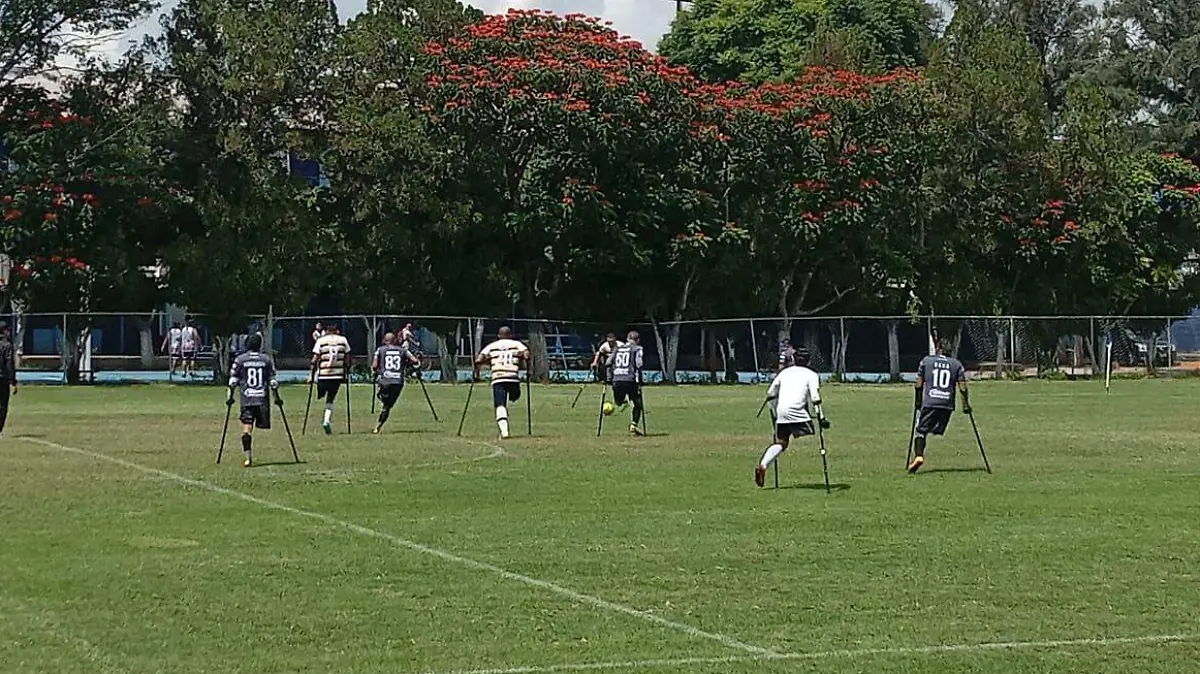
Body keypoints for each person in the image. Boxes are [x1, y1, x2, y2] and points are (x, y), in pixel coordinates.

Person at [755, 347, 830, 488]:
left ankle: (764, 465)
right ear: (808, 361)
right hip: (798, 414)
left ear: (794, 359)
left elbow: (770, 393)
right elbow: (815, 397)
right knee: (809, 431)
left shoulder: (784, 373)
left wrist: (774, 412)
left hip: (781, 412)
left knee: (781, 443)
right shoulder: (811, 374)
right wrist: (821, 417)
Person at [908, 338, 969, 473]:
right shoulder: (956, 364)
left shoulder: (926, 361)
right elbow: (963, 387)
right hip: (947, 404)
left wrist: (918, 402)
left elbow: (918, 384)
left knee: (920, 431)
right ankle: (934, 429)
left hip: (930, 402)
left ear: (937, 348)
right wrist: (966, 405)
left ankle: (918, 456)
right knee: (936, 430)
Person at [226, 333, 278, 468]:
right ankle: (248, 454)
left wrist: (230, 397)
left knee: (247, 427)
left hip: (247, 399)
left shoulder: (240, 360)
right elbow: (273, 381)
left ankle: (248, 457)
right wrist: (277, 398)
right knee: (259, 425)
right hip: (262, 399)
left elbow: (232, 381)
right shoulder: (266, 359)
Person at [474, 326, 529, 440]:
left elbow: (479, 359)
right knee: (515, 395)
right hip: (512, 377)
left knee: (500, 404)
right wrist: (529, 367)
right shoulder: (517, 344)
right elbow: (526, 354)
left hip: (498, 378)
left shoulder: (492, 346)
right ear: (510, 335)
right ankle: (513, 396)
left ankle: (504, 431)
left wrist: (477, 372)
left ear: (498, 336)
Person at [371, 332, 421, 434]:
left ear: (385, 341)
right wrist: (409, 362)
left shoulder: (380, 350)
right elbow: (415, 361)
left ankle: (379, 423)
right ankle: (379, 424)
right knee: (388, 405)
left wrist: (376, 371)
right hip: (398, 382)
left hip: (385, 380)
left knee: (384, 401)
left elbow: (374, 366)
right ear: (395, 341)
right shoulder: (403, 350)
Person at [311, 322, 351, 434]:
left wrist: (312, 372)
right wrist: (347, 370)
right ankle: (326, 420)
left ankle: (321, 393)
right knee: (331, 398)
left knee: (321, 394)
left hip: (324, 374)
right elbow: (347, 358)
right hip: (337, 374)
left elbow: (315, 358)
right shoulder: (343, 340)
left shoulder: (321, 341)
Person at [606, 331, 645, 436]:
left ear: (627, 339)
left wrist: (610, 376)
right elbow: (639, 364)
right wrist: (640, 379)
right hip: (630, 380)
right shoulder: (637, 349)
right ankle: (633, 424)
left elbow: (608, 363)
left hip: (617, 380)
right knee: (638, 404)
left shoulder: (617, 348)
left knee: (618, 402)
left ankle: (622, 402)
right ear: (638, 340)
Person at [0, 322, 17, 435]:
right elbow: (9, 364)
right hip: (2, 379)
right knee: (3, 405)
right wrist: (13, 381)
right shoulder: (7, 345)